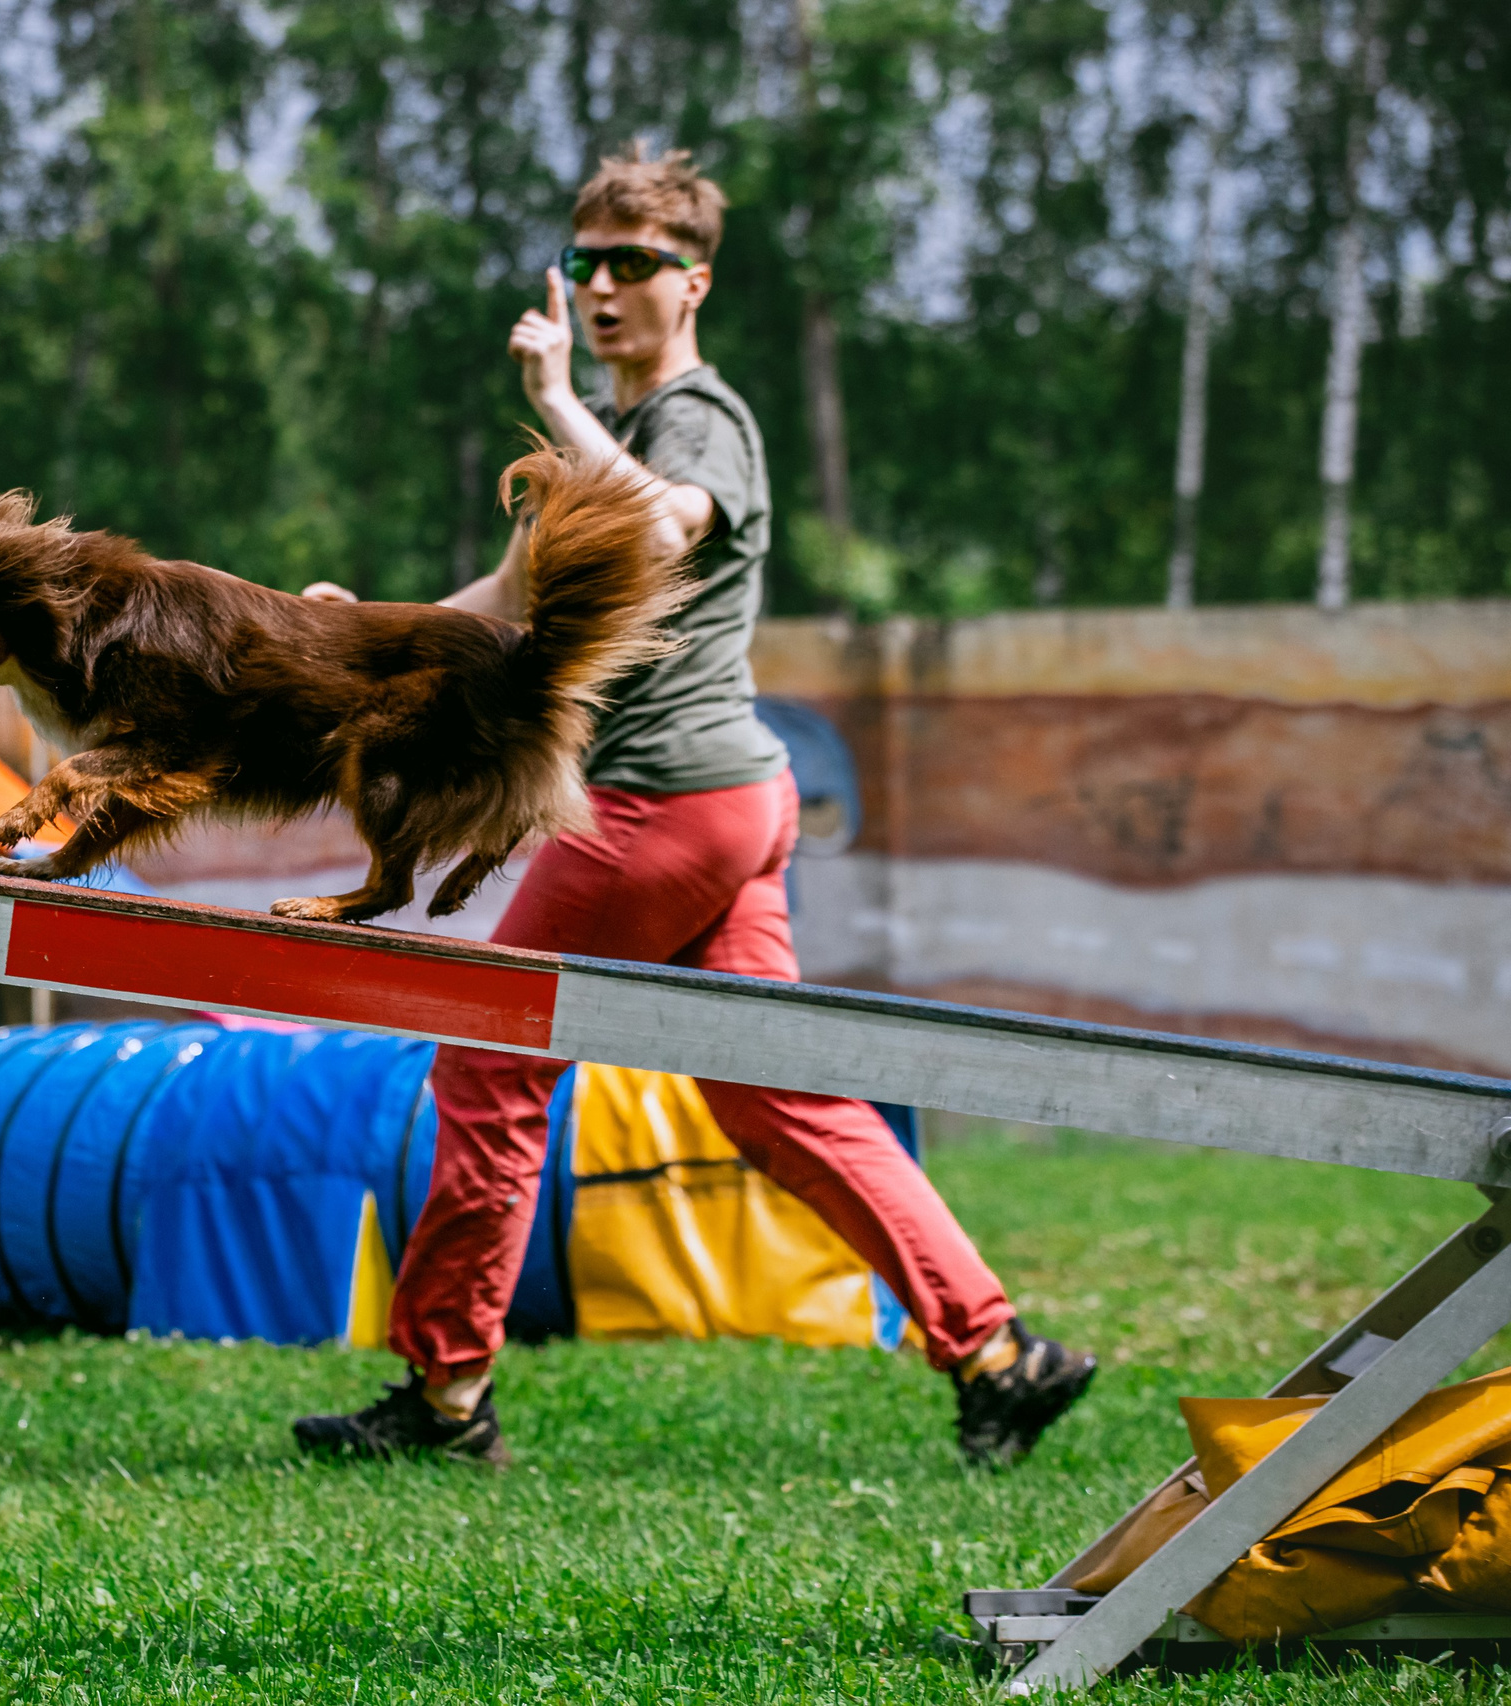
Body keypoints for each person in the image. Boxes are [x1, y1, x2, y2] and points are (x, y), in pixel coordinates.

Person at [290, 147, 1095, 1469]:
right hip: (729, 803)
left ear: (694, 282)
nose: (606, 286)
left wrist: (554, 397)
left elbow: (664, 530)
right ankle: (998, 1352)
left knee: (491, 1062)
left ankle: (445, 1398)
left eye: (637, 264)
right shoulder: (590, 450)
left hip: (661, 804)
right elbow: (495, 609)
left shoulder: (697, 416)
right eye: (588, 260)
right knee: (774, 1098)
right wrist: (351, 638)